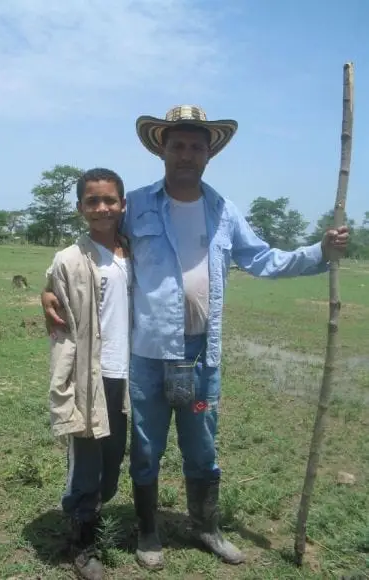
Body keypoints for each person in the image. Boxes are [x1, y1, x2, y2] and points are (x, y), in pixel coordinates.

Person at [42, 106, 349, 572]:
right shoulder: (137, 204)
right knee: (146, 447)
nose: (186, 154)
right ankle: (148, 531)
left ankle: (207, 526)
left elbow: (264, 259)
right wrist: (49, 286)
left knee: (202, 445)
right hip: (146, 355)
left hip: (201, 354)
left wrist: (319, 252)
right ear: (161, 150)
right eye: (177, 145)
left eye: (196, 146)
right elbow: (96, 248)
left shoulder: (224, 210)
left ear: (210, 154)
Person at [47, 168, 131, 580]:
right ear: (80, 207)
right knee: (86, 460)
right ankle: (82, 542)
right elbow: (56, 312)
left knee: (115, 457)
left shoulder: (133, 252)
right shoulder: (68, 259)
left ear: (122, 204)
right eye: (92, 201)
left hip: (129, 375)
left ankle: (95, 512)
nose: (102, 207)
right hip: (90, 375)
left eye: (110, 200)